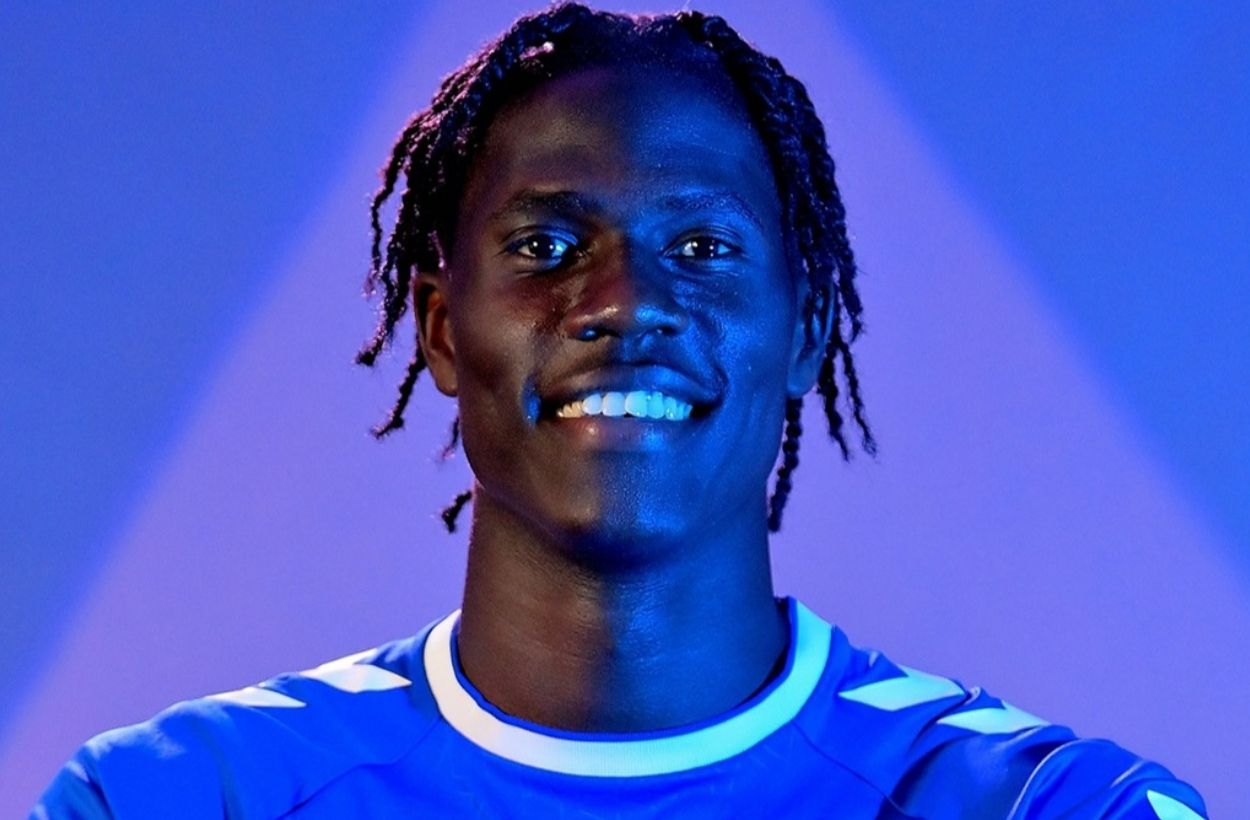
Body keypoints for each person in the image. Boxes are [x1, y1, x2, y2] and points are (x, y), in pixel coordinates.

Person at [36, 4, 1207, 818]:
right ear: (440, 327)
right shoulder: (176, 798)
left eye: (700, 248)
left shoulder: (1047, 806)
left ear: (804, 328)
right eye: (545, 246)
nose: (624, 303)